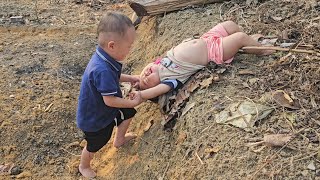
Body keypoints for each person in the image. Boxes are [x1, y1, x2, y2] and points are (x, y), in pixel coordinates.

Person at [76, 12, 142, 178]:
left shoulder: (105, 57)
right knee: (95, 144)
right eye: (129, 46)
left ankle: (119, 140)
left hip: (105, 109)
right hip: (94, 118)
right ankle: (83, 166)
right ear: (112, 45)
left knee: (128, 113)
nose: (130, 49)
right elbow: (110, 100)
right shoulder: (102, 69)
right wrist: (132, 102)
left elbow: (115, 76)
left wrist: (131, 78)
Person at [135, 21, 274, 100]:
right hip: (213, 51)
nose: (145, 76)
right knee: (239, 38)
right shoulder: (170, 79)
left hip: (207, 38)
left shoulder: (160, 63)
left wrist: (134, 80)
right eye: (147, 82)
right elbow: (153, 92)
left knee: (230, 25)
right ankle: (262, 50)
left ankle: (250, 43)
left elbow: (135, 77)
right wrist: (141, 95)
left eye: (143, 75)